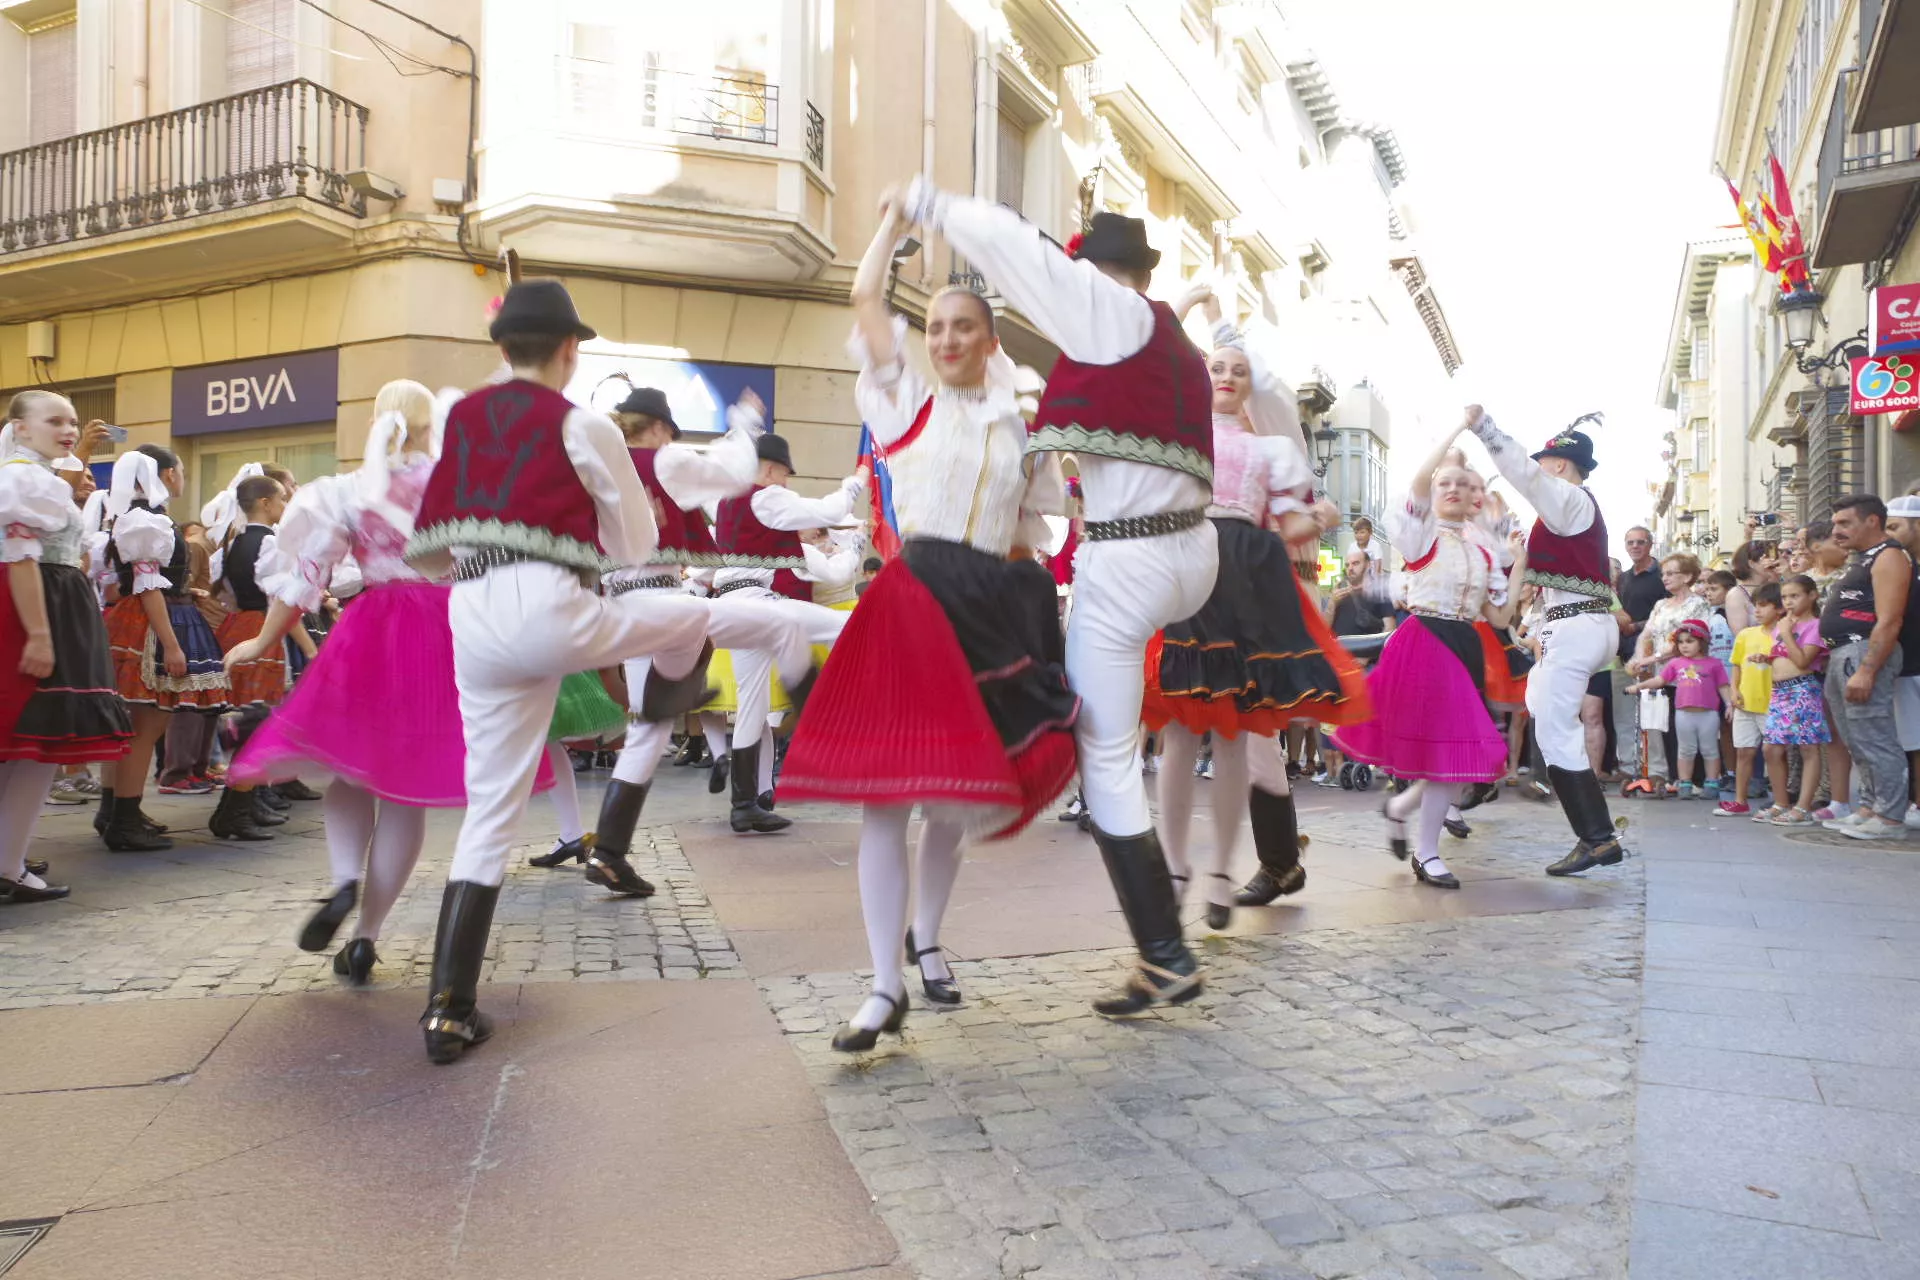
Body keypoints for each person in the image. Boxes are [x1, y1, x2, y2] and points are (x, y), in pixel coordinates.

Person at [896, 184, 1218, 1015]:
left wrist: (928, 203)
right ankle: (1164, 932)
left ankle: (1164, 954)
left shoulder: (1108, 313)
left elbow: (1018, 250)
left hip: (1131, 558)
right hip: (1192, 548)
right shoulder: (1169, 338)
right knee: (1128, 731)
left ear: (1092, 271)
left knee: (1106, 757)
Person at [780, 198, 1077, 1050]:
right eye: (937, 326)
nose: (943, 339)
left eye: (961, 328)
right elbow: (867, 304)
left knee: (951, 803)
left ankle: (930, 940)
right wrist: (892, 232)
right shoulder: (904, 401)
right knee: (887, 801)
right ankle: (881, 985)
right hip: (914, 605)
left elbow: (1031, 531)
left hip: (989, 610)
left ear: (990, 342)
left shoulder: (1021, 430)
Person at [401, 278, 718, 1064]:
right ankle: (673, 699)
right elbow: (639, 548)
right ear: (571, 350)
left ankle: (448, 1008)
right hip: (554, 605)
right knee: (694, 618)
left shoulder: (462, 416)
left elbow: (431, 544)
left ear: (500, 347)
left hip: (471, 615)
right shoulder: (582, 423)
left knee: (490, 810)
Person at [226, 381, 561, 982]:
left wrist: (262, 640)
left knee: (351, 770)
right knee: (406, 796)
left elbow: (305, 574)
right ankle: (366, 936)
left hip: (373, 628)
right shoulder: (460, 483)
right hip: (448, 630)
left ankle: (343, 881)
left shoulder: (346, 490)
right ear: (433, 425)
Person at [1139, 294, 1364, 929]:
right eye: (1216, 368)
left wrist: (1313, 520)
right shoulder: (1184, 430)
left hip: (1252, 586)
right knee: (1197, 726)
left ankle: (1265, 861)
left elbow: (1289, 518)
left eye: (1236, 370)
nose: (1228, 377)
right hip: (1193, 576)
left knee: (1252, 732)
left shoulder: (1272, 439)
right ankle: (1243, 861)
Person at [538, 383, 816, 891]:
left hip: (621, 608)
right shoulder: (663, 463)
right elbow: (730, 472)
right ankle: (825, 740)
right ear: (662, 427)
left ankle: (610, 854)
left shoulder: (598, 473)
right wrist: (746, 421)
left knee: (650, 727)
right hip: (662, 605)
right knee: (783, 624)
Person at [1332, 428, 1526, 889]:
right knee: (1449, 753)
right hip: (1423, 642)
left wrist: (1519, 565)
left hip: (1463, 645)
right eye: (1446, 483)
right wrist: (1454, 430)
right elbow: (1420, 482)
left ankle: (1400, 811)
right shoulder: (1420, 536)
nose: (1454, 489)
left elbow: (1498, 617)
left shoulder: (1482, 551)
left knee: (1454, 755)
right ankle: (1427, 852)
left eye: (1463, 483)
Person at [1458, 409, 1624, 876]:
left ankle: (1597, 838)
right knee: (1533, 700)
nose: (1541, 469)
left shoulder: (1568, 500)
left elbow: (1524, 475)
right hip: (1571, 625)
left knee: (1554, 728)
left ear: (1558, 465)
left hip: (1575, 628)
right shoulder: (1569, 510)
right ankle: (1489, 778)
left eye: (1546, 462)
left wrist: (1487, 430)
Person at [0, 393, 133, 902]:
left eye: (73, 421)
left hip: (52, 601)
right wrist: (38, 633)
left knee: (27, 748)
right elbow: (19, 559)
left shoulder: (36, 475)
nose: (69, 429)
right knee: (36, 746)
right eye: (54, 421)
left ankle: (8, 860)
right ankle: (9, 867)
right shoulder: (26, 478)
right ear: (21, 427)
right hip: (44, 605)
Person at [704, 432, 863, 833]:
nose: (786, 483)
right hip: (757, 604)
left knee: (752, 708)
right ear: (772, 469)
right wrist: (856, 480)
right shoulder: (766, 496)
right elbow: (827, 508)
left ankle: (744, 806)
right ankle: (837, 729)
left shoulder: (726, 503)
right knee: (851, 624)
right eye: (785, 474)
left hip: (732, 608)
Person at [99, 446, 231, 852]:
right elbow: (146, 585)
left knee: (132, 728)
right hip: (150, 625)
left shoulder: (129, 516)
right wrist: (172, 646)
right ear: (168, 474)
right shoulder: (147, 519)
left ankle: (116, 811)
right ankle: (123, 817)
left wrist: (180, 589)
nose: (182, 478)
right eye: (181, 471)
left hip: (136, 618)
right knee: (146, 726)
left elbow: (124, 582)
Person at [1817, 495, 1912, 840]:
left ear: (1872, 521)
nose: (1836, 530)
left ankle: (1889, 817)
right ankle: (1869, 807)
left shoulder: (1889, 556)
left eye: (1845, 523)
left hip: (1861, 653)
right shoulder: (1865, 558)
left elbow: (1889, 620)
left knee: (1874, 737)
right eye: (1836, 523)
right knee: (1857, 738)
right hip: (1843, 654)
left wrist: (1867, 669)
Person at [1627, 553, 1711, 794]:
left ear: (1686, 576)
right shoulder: (1661, 605)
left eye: (1671, 573)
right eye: (1663, 573)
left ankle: (1694, 779)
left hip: (1688, 673)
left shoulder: (1697, 604)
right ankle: (1675, 777)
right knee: (1664, 723)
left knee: (1686, 726)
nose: (1665, 578)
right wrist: (1638, 660)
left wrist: (1652, 658)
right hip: (1662, 674)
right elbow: (1646, 635)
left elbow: (1689, 639)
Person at [1626, 619, 1730, 801]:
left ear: (1702, 642)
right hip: (1683, 714)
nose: (1684, 646)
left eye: (1690, 641)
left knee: (1710, 750)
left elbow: (1723, 686)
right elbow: (1659, 680)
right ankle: (1685, 782)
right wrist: (1639, 686)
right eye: (1680, 642)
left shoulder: (1714, 664)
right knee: (1685, 750)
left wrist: (1729, 704)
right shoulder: (1675, 664)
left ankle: (1712, 782)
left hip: (1708, 714)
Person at [1759, 574, 1830, 825]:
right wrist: (1766, 658)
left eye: (1795, 596)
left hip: (1803, 689)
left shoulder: (1815, 625)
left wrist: (1788, 633)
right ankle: (1781, 802)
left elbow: (1802, 661)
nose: (1788, 602)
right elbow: (1781, 655)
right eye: (1785, 597)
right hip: (1780, 691)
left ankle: (1802, 806)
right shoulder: (1783, 625)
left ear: (1812, 596)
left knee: (1808, 747)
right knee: (1771, 748)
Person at [1719, 582, 1780, 816]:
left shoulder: (1783, 633)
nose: (1757, 610)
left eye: (1764, 606)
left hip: (1772, 703)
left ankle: (1780, 801)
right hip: (1745, 703)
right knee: (1743, 752)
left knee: (1772, 753)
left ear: (1780, 609)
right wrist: (1734, 691)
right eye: (1756, 605)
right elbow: (1736, 665)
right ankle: (1740, 800)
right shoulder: (1745, 635)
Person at [1611, 526, 1665, 776]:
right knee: (1623, 714)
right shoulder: (1623, 578)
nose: (1635, 546)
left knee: (1652, 714)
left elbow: (1665, 614)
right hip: (1623, 655)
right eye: (1630, 542)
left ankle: (1655, 769)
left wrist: (1636, 626)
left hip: (1652, 656)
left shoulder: (1663, 574)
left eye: (1640, 542)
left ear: (1650, 545)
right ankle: (1628, 765)